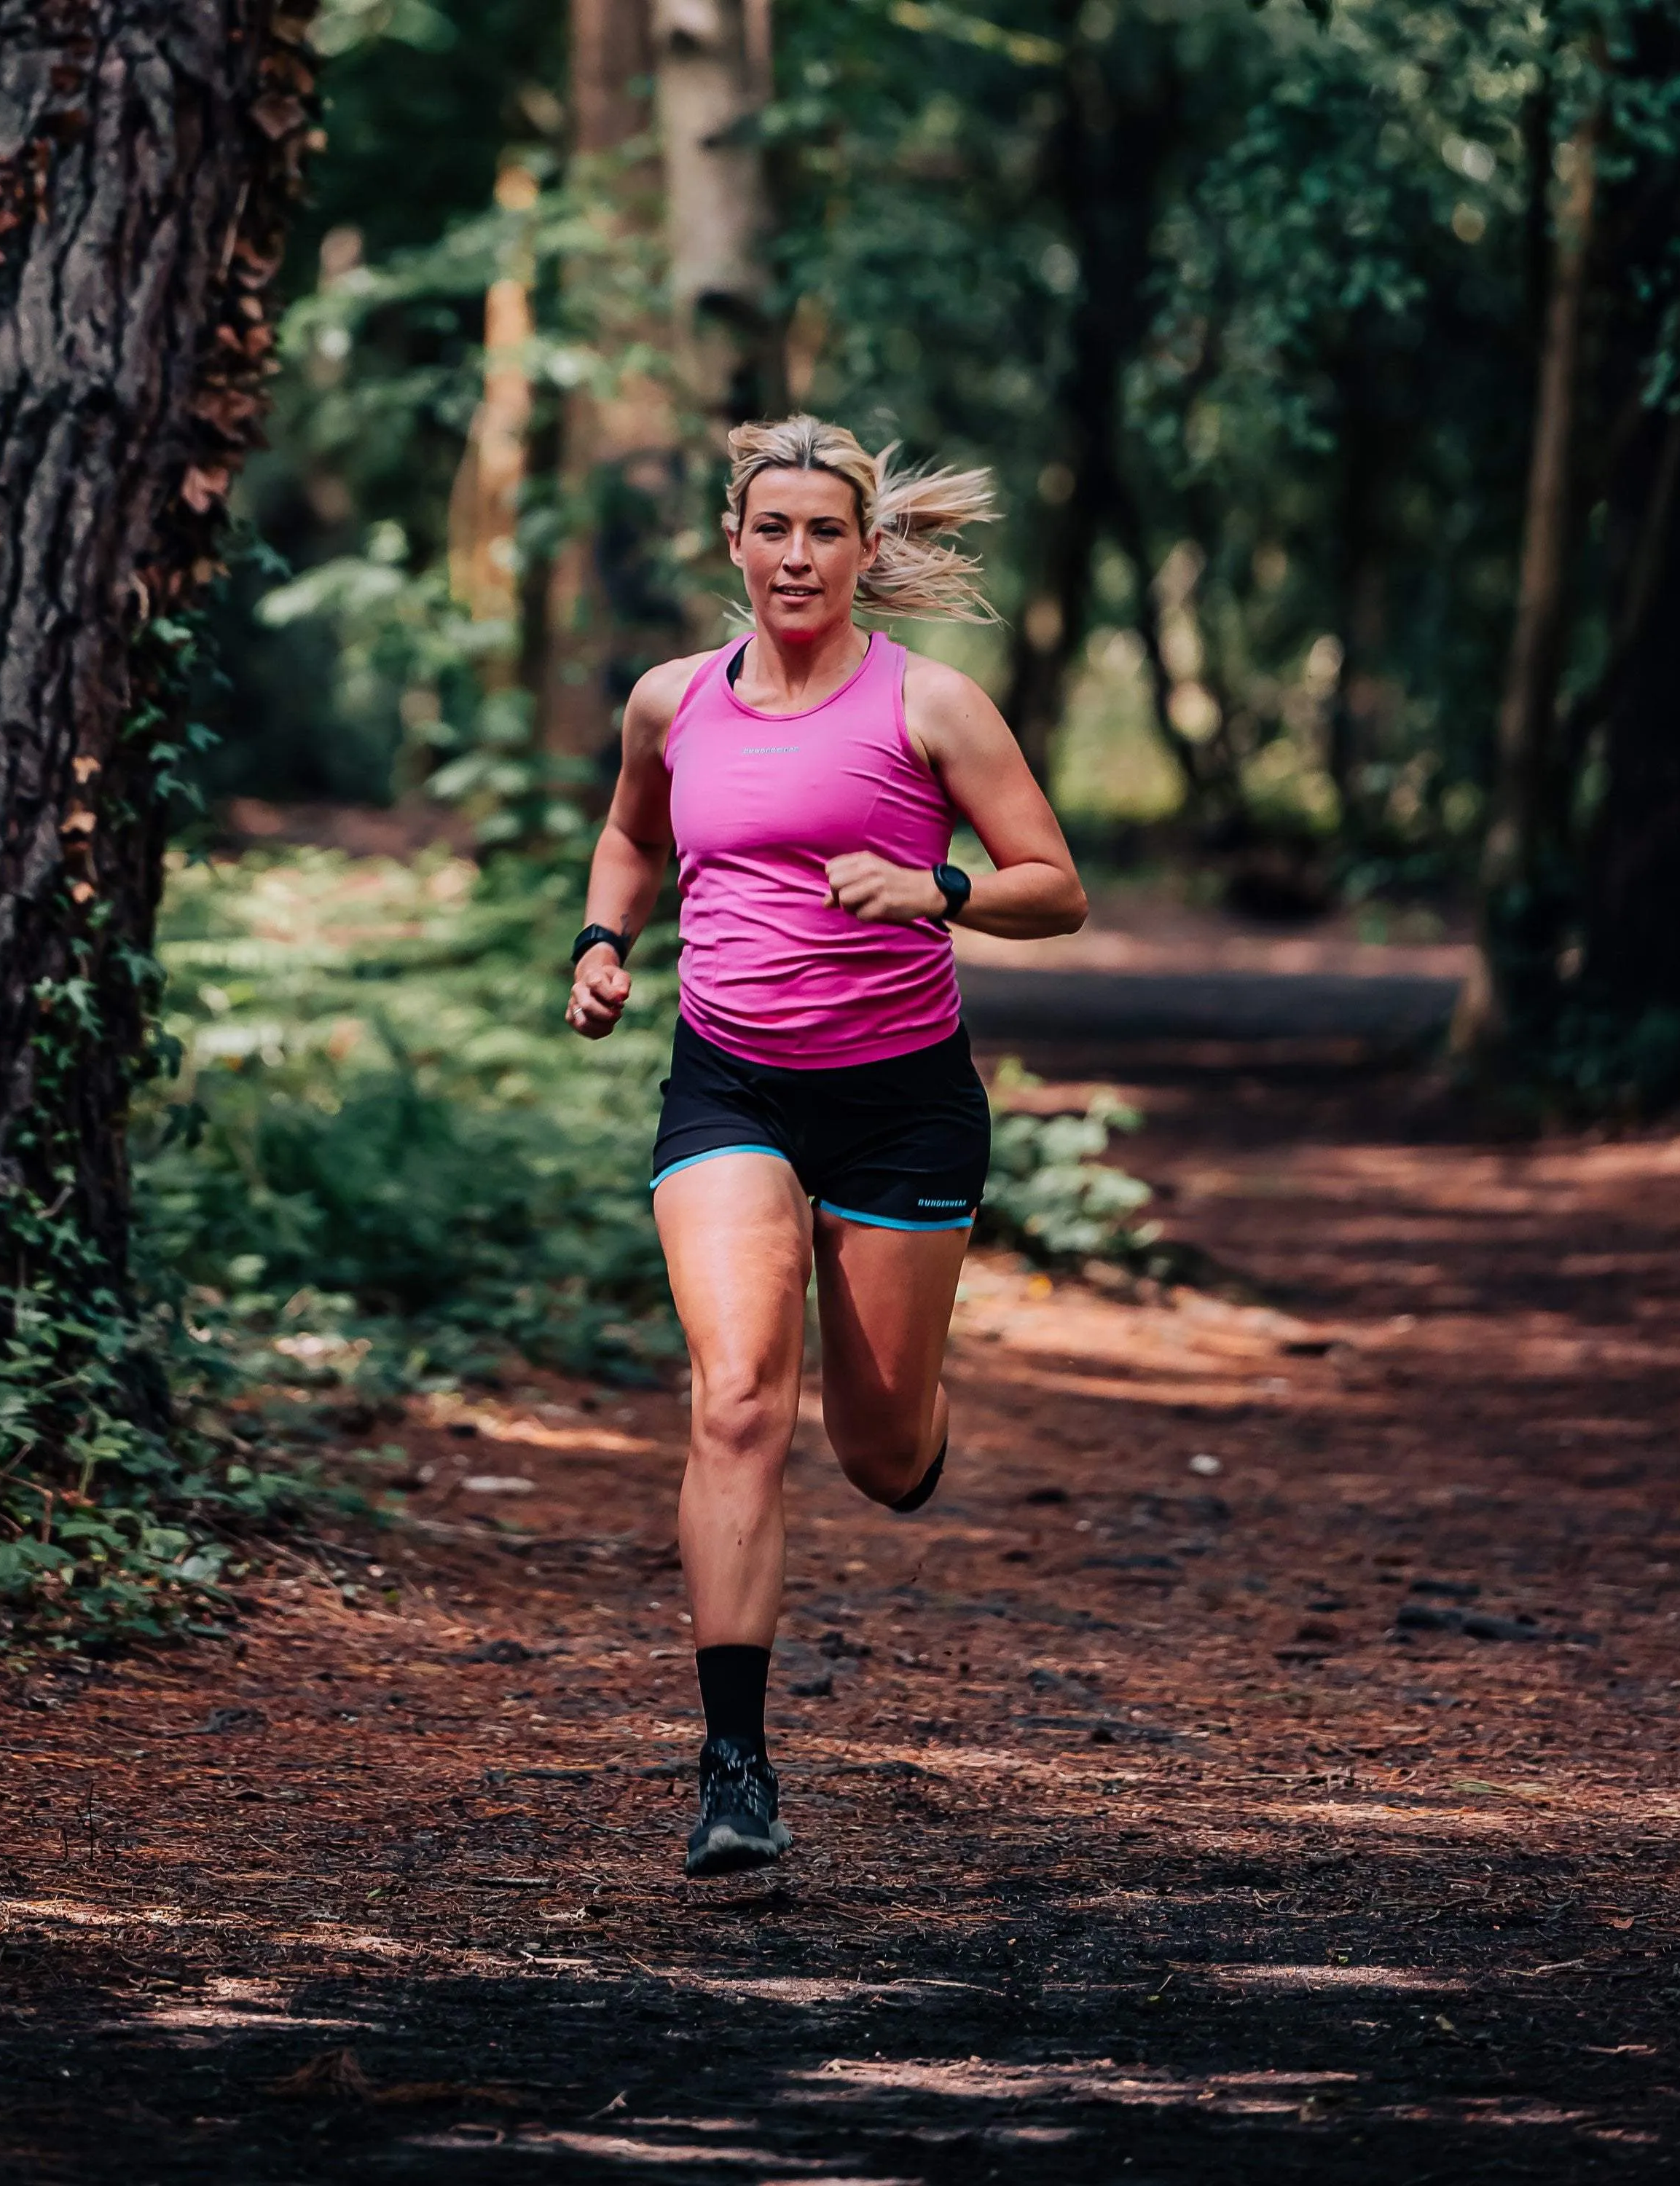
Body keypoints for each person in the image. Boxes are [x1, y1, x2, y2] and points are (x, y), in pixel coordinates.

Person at [564, 414, 1088, 1876]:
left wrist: (940, 886)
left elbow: (1057, 890)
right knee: (735, 1397)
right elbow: (631, 838)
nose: (797, 556)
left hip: (904, 1097)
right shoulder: (674, 701)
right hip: (728, 1087)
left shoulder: (935, 709)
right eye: (772, 529)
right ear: (734, 541)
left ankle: (911, 1425)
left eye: (825, 532)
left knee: (871, 1445)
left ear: (866, 550)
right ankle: (735, 1772)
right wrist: (606, 942)